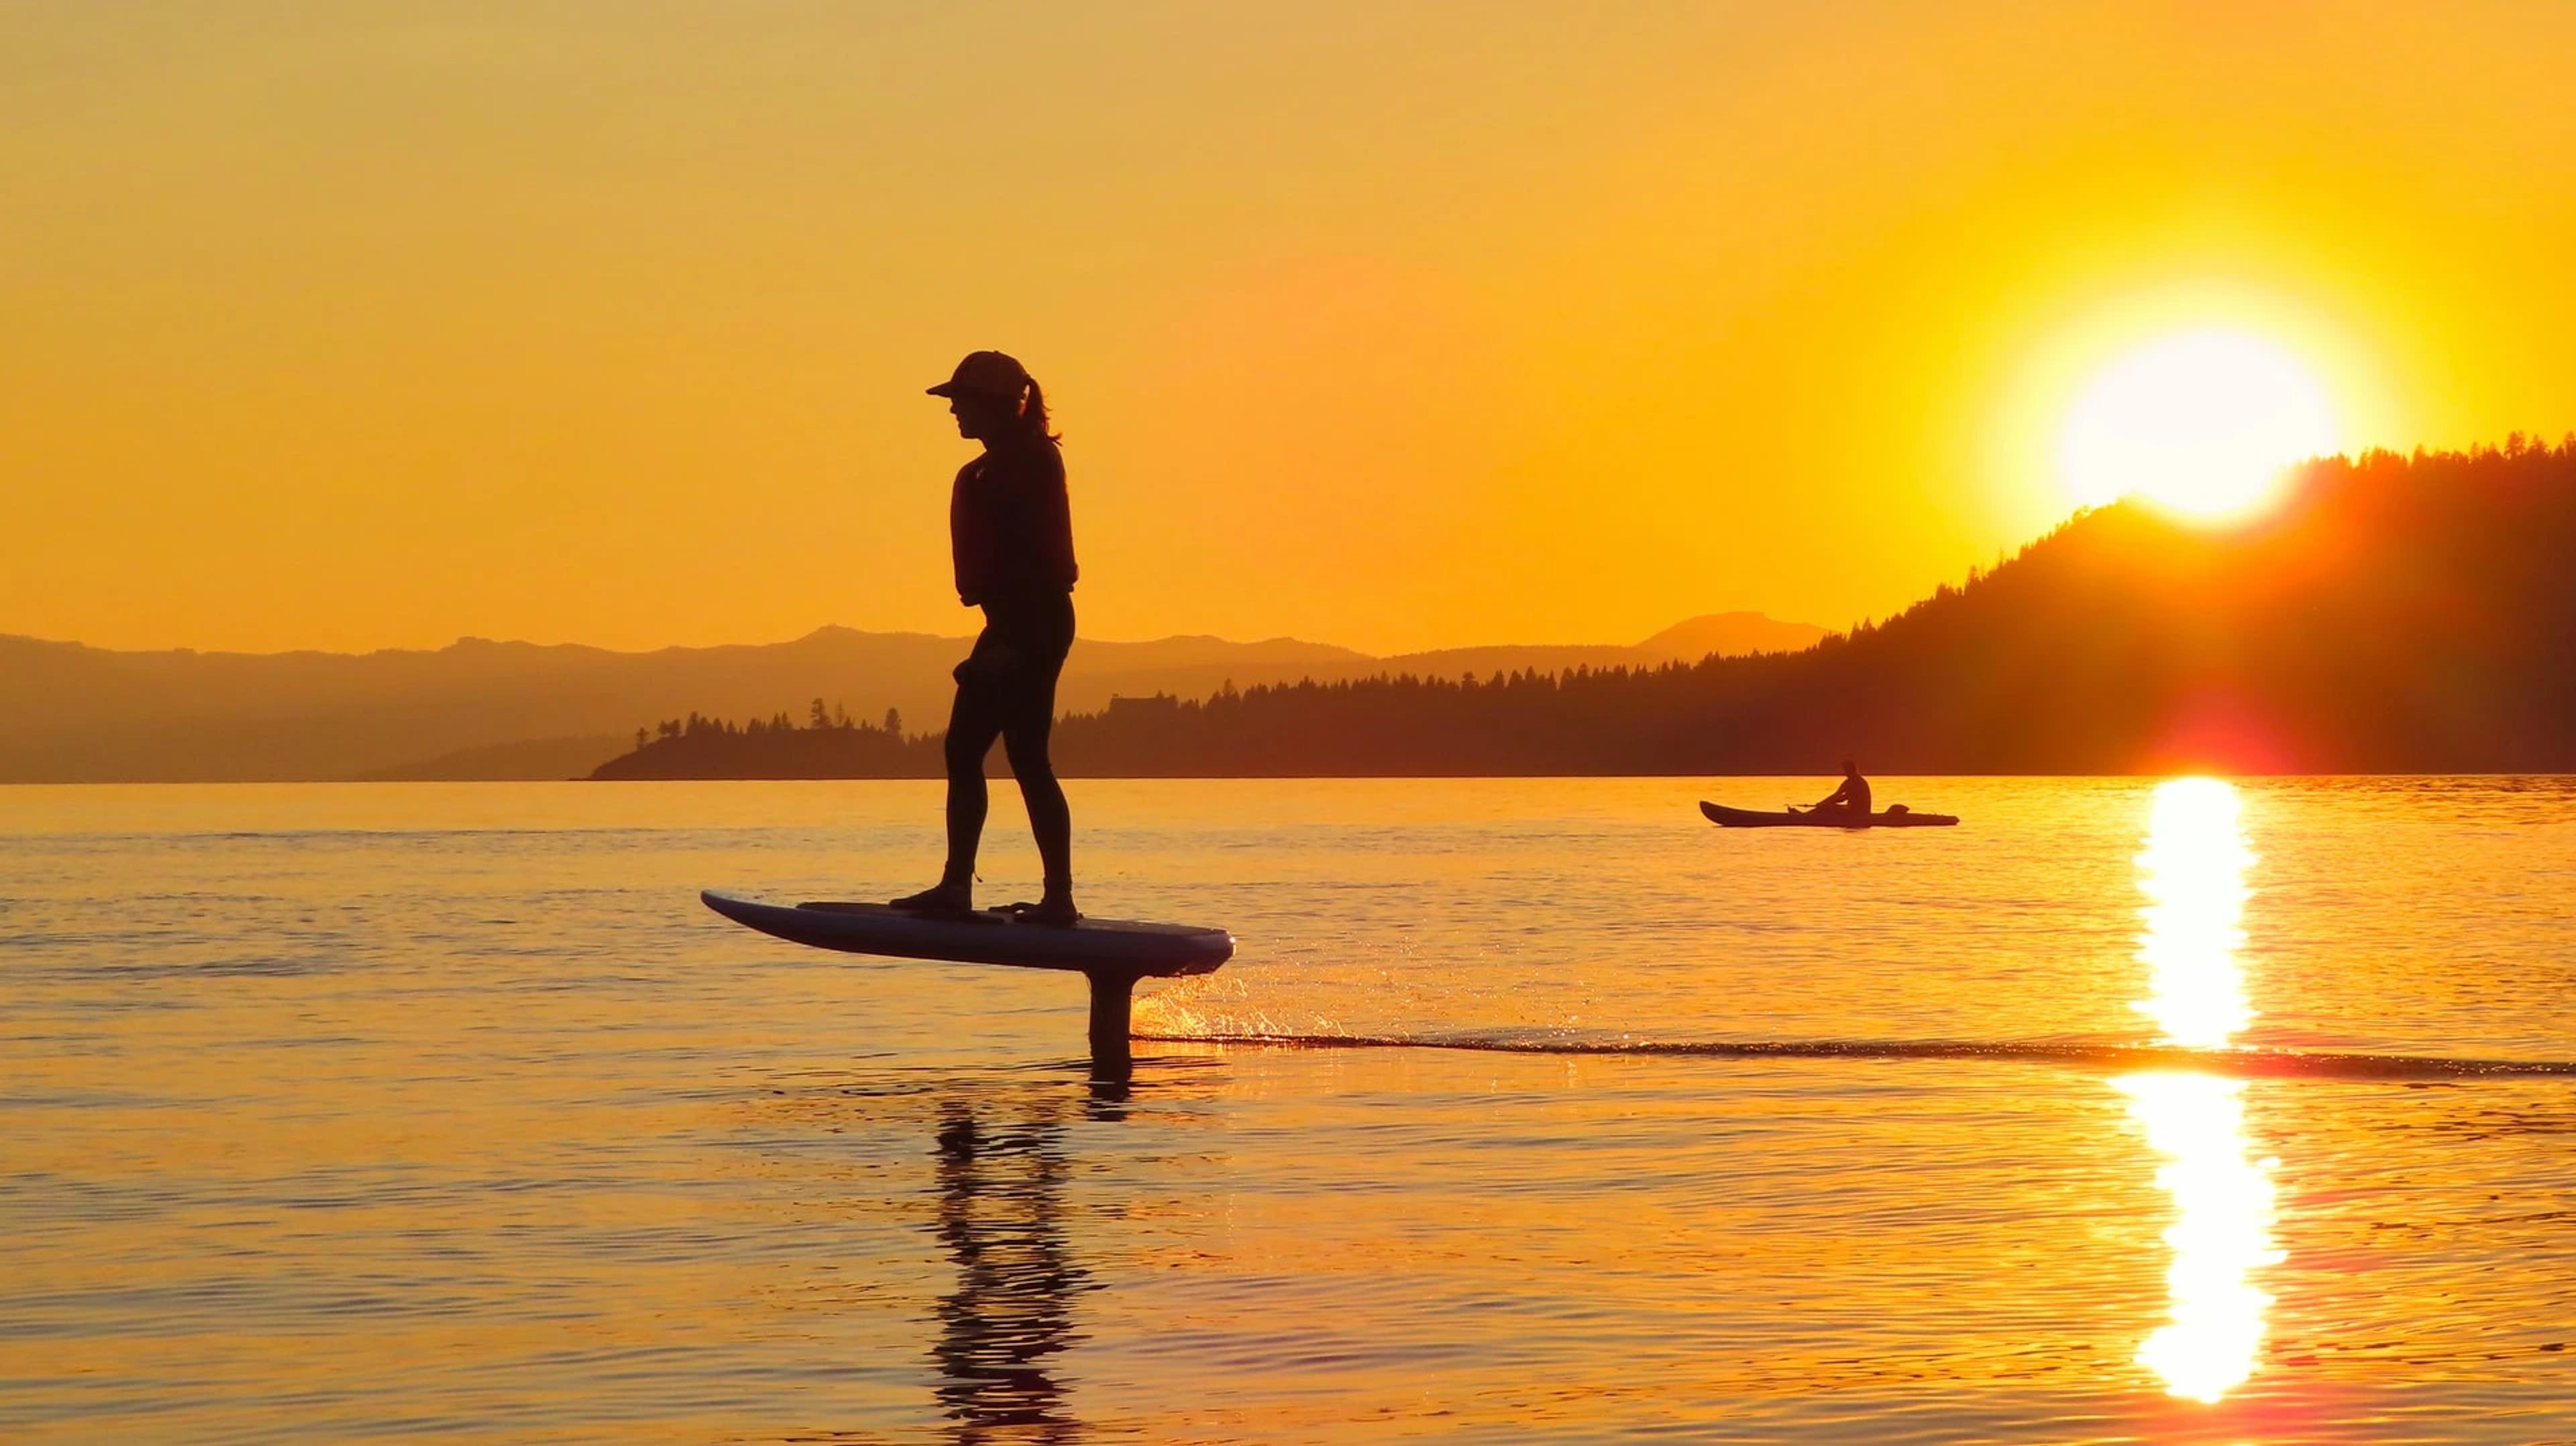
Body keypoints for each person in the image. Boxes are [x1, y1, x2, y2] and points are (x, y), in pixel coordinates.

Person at [890, 351, 1081, 924]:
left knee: (985, 752)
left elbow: (1025, 561)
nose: (953, 411)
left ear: (995, 406)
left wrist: (1005, 653)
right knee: (1015, 755)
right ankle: (1049, 895)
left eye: (961, 401)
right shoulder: (1003, 462)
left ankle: (989, 891)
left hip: (1030, 622)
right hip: (1019, 622)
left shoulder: (1020, 464)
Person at [1799, 760, 1872, 822]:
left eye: (1845, 769)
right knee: (1828, 806)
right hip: (1860, 812)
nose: (1844, 772)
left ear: (1849, 770)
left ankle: (1803, 817)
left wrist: (1823, 804)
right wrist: (1823, 803)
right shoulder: (1858, 780)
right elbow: (1839, 796)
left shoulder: (1853, 782)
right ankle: (1804, 815)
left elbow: (1839, 797)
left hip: (1855, 814)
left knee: (1826, 807)